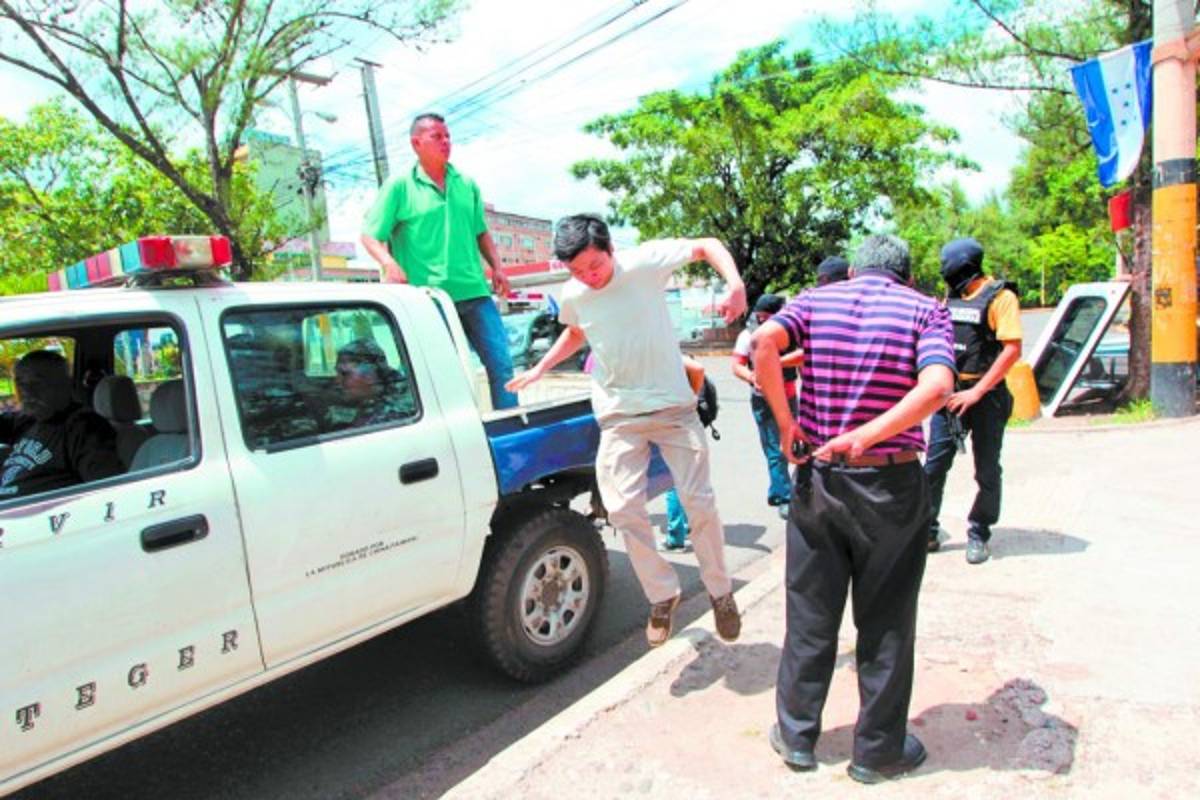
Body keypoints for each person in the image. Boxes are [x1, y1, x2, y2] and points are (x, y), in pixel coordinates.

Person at [751, 234, 955, 783]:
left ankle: (796, 737)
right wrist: (869, 435)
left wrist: (787, 423)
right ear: (905, 276)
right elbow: (938, 385)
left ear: (853, 273)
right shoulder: (925, 311)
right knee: (887, 618)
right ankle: (877, 751)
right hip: (890, 486)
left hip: (818, 478)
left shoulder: (816, 302)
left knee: (810, 612)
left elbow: (762, 343)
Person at [507, 214, 747, 648]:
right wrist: (541, 366)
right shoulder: (576, 291)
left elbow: (707, 242)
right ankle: (662, 594)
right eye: (576, 271)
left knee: (699, 504)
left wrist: (734, 284)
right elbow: (577, 332)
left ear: (610, 249)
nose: (588, 277)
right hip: (619, 414)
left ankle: (720, 592)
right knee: (620, 508)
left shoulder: (645, 263)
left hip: (674, 409)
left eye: (594, 266)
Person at [360, 112, 518, 410]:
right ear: (416, 143)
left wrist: (497, 267)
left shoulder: (466, 184)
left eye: (448, 136)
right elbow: (370, 235)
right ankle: (461, 436)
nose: (445, 142)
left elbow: (480, 231)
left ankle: (509, 431)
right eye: (437, 137)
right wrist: (389, 264)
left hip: (475, 292)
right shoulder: (399, 186)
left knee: (503, 366)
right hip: (431, 301)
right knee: (449, 376)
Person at [924, 237, 1022, 564]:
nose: (942, 272)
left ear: (963, 265)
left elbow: (1012, 350)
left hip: (986, 397)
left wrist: (977, 392)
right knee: (934, 465)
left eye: (946, 265)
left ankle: (979, 531)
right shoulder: (952, 297)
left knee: (987, 471)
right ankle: (927, 530)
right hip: (951, 397)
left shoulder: (1001, 298)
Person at [1, 350, 124, 500]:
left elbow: (107, 493)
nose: (26, 391)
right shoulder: (27, 420)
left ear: (64, 385)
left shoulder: (85, 428)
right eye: (21, 383)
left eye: (37, 383)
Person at [731, 293, 805, 519]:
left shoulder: (792, 333)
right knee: (774, 448)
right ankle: (784, 497)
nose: (762, 322)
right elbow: (736, 364)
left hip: (789, 395)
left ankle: (777, 490)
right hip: (763, 400)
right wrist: (752, 377)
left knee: (789, 445)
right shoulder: (748, 335)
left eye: (766, 317)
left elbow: (803, 359)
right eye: (760, 317)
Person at [660, 355, 708, 551]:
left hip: (672, 424)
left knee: (673, 483)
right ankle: (691, 528)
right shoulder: (676, 356)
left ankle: (676, 537)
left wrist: (692, 399)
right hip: (686, 423)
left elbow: (697, 369)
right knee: (689, 481)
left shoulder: (665, 355)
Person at [331, 339, 413, 427]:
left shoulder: (393, 415)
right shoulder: (374, 399)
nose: (337, 381)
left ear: (371, 374)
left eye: (345, 374)